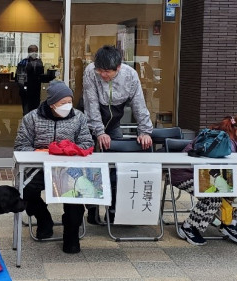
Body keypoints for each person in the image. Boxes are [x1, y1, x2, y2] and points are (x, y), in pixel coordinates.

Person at [14, 80, 94, 253]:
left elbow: (87, 143)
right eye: (62, 103)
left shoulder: (78, 117)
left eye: (69, 102)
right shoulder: (32, 118)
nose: (67, 106)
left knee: (75, 198)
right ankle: (43, 218)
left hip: (69, 169)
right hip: (38, 169)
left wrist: (70, 149)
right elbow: (21, 146)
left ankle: (71, 236)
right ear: (51, 104)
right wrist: (40, 152)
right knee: (24, 190)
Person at [82, 45, 154, 222]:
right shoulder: (91, 71)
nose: (103, 75)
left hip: (114, 121)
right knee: (92, 167)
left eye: (107, 72)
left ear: (118, 67)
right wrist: (98, 132)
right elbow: (91, 104)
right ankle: (92, 210)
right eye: (100, 70)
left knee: (117, 165)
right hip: (91, 121)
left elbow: (139, 104)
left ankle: (113, 209)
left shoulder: (130, 75)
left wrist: (144, 131)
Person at [170, 113, 237, 246]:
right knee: (214, 196)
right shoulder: (223, 141)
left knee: (234, 190)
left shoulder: (229, 140)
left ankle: (229, 223)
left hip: (203, 174)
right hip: (184, 174)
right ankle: (188, 227)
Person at [17, 44, 44, 115]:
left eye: (36, 51)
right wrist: (23, 88)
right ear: (28, 52)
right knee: (26, 110)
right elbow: (20, 77)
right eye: (32, 51)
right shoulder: (23, 62)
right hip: (26, 90)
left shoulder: (39, 62)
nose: (34, 53)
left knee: (35, 110)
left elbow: (41, 75)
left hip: (36, 89)